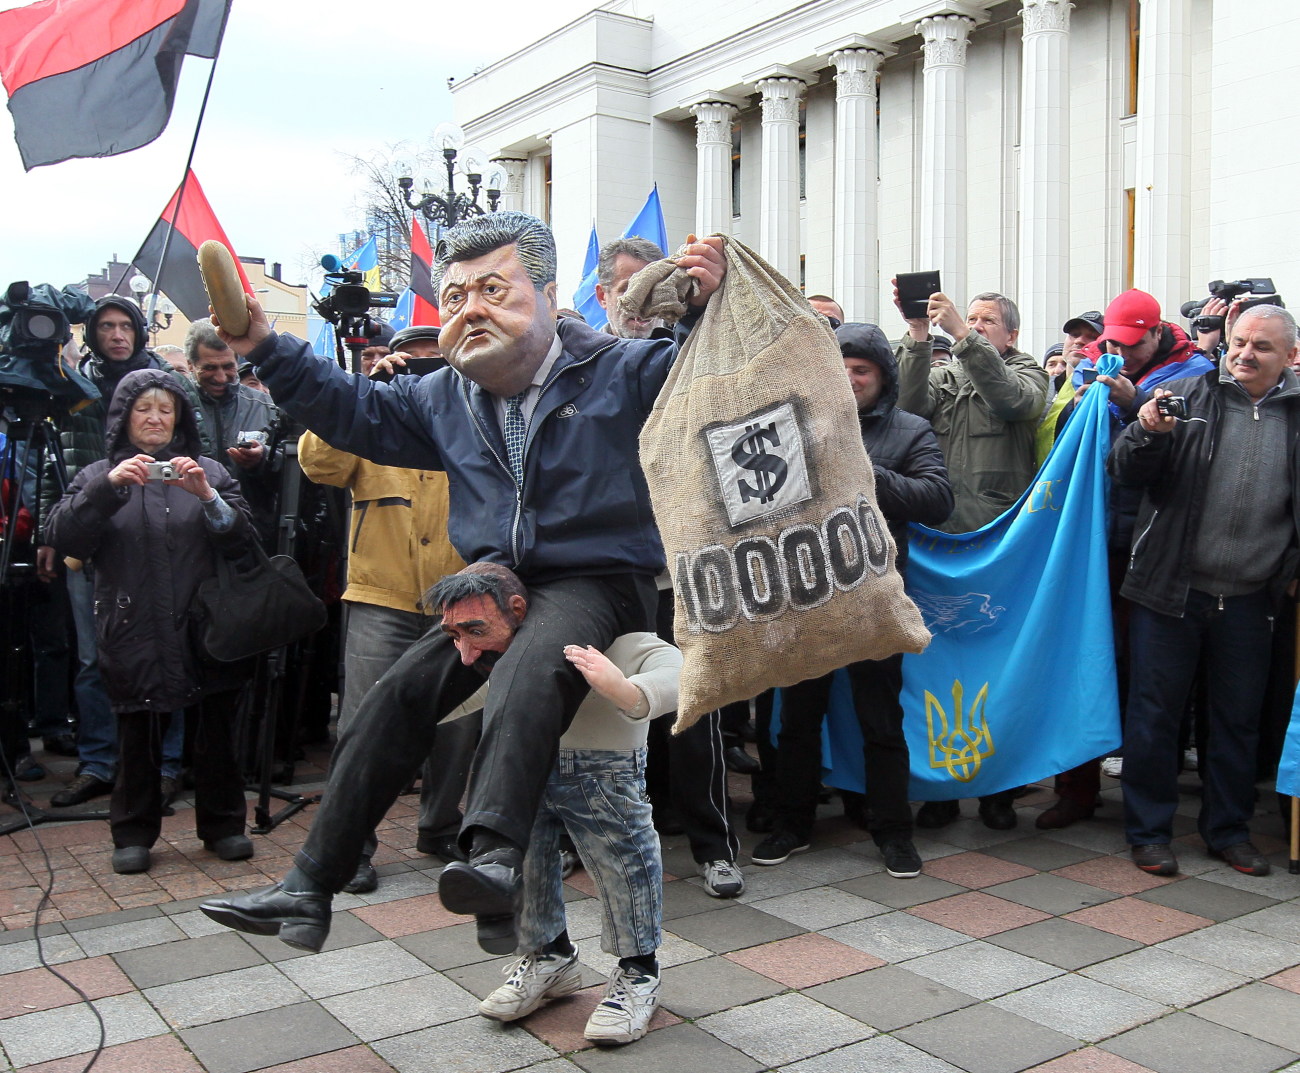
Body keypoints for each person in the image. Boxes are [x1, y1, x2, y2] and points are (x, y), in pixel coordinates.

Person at [197, 211, 726, 954]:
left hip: (598, 578)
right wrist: (263, 346)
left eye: (492, 288)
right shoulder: (440, 395)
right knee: (397, 692)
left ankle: (493, 858)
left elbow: (708, 377)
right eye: (453, 297)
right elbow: (349, 409)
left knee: (534, 665)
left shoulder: (620, 370)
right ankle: (310, 886)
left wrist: (705, 305)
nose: (469, 309)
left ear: (547, 294)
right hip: (494, 583)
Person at [417, 565, 674, 1046]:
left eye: (474, 630)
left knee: (625, 864)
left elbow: (677, 673)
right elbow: (467, 698)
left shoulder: (628, 636)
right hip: (526, 771)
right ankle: (546, 954)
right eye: (456, 634)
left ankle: (639, 970)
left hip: (606, 775)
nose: (467, 649)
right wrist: (400, 712)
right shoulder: (516, 652)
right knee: (527, 862)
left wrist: (626, 690)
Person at [752, 323, 952, 875]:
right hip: (806, 595)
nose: (848, 378)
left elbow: (937, 500)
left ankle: (893, 832)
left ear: (882, 377)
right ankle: (791, 823)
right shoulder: (791, 425)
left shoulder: (910, 429)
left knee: (881, 720)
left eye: (860, 370)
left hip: (876, 599)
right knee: (797, 718)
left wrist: (869, 473)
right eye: (838, 368)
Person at [1109, 305, 1300, 878]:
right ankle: (1148, 832)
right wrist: (1145, 432)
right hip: (1170, 589)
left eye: (1262, 347)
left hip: (1251, 597)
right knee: (1155, 717)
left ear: (1290, 357)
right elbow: (1124, 469)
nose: (1244, 353)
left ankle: (1228, 831)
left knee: (1237, 720)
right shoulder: (1186, 395)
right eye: (1239, 342)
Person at [45, 369, 254, 874]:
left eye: (166, 409)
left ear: (180, 416)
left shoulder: (209, 470)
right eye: (144, 409)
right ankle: (133, 832)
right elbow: (63, 537)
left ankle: (224, 826)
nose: (156, 418)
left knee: (216, 731)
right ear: (123, 418)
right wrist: (108, 489)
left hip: (206, 624)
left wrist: (208, 496)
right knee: (137, 732)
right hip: (131, 621)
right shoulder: (98, 474)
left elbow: (245, 541)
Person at [595, 235, 745, 899]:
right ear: (604, 294)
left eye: (662, 289)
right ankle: (617, 840)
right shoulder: (578, 365)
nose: (644, 304)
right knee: (610, 714)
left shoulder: (690, 361)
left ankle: (713, 844)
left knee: (692, 713)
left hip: (679, 574)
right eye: (632, 288)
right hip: (604, 576)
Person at [296, 325, 467, 892]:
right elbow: (317, 464)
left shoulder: (470, 412)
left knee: (460, 723)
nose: (418, 375)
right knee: (364, 725)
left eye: (431, 364)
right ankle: (352, 844)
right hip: (381, 593)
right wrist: (362, 388)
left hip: (459, 593)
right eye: (409, 363)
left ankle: (441, 826)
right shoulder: (370, 416)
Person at [894, 286, 1048, 829]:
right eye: (971, 318)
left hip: (995, 544)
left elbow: (1013, 401)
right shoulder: (944, 373)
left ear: (1011, 334)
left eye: (987, 321)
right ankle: (939, 787)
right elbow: (905, 411)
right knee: (935, 666)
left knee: (996, 668)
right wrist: (917, 336)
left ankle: (998, 791)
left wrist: (962, 336)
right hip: (936, 542)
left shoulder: (1029, 372)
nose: (975, 325)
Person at [37, 295, 199, 808]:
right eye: (105, 326)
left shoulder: (161, 379)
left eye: (125, 325)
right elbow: (54, 456)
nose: (116, 335)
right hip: (90, 524)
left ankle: (166, 766)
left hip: (161, 533)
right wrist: (52, 528)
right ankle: (99, 763)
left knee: (172, 654)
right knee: (93, 659)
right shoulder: (72, 387)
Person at [185, 319, 283, 545]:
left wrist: (263, 459)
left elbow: (292, 469)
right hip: (190, 533)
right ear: (190, 365)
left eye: (228, 367)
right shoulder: (174, 407)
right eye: (209, 368)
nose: (220, 377)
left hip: (253, 533)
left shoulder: (266, 407)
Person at [594, 236, 667, 339]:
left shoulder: (686, 351)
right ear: (602, 296)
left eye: (651, 290)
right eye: (628, 289)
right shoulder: (581, 353)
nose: (641, 303)